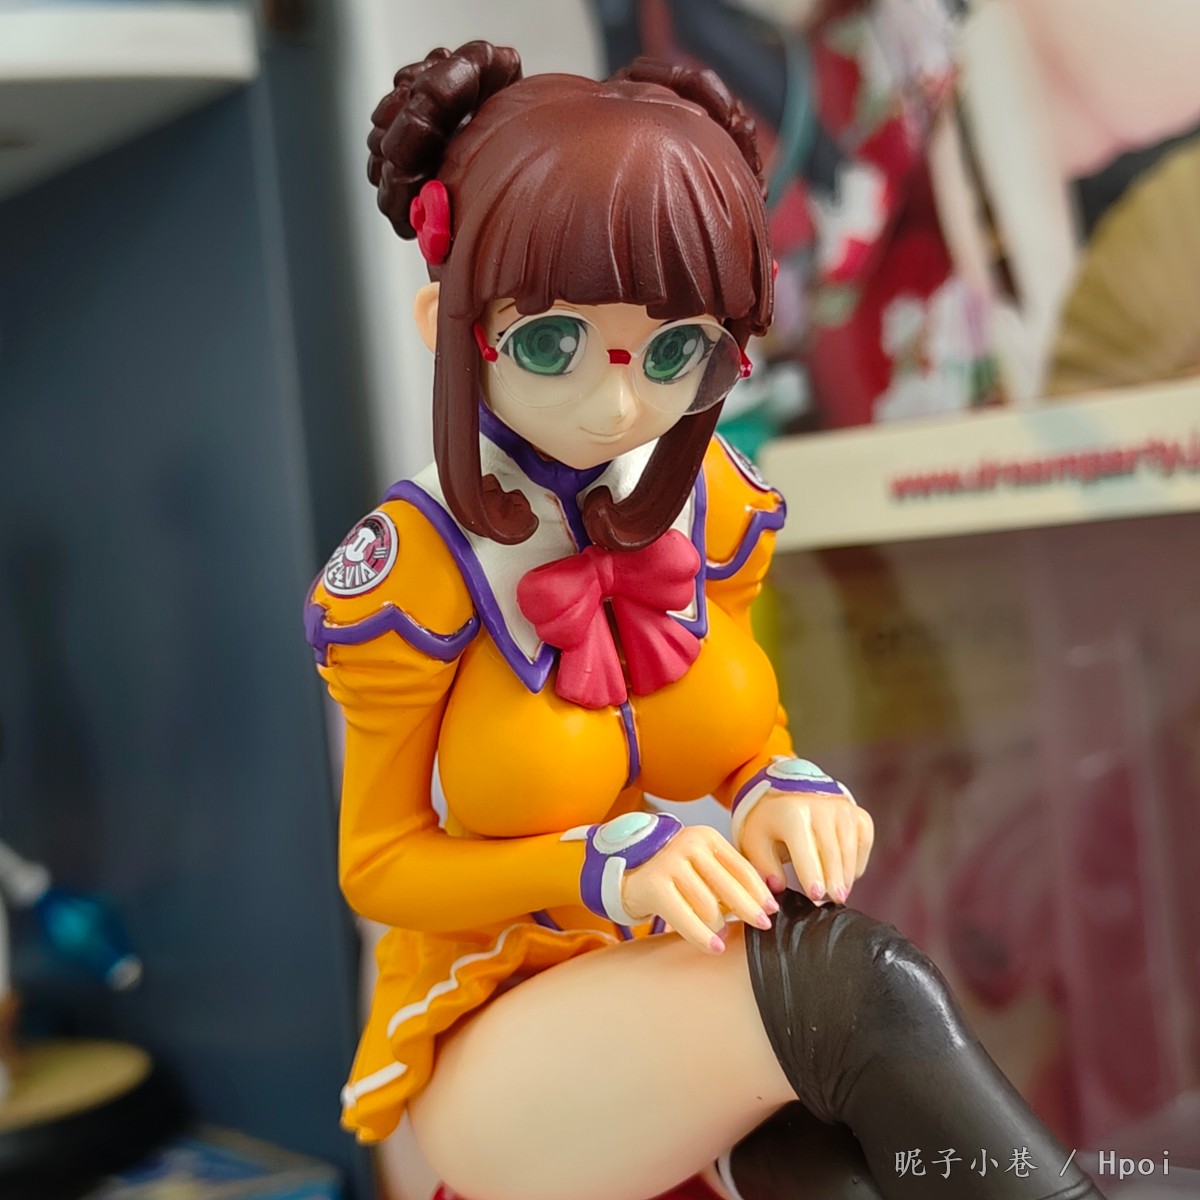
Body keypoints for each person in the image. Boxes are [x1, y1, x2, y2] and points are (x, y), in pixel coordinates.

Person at [305, 41, 1105, 1200]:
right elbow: (378, 866)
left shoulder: (708, 496)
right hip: (491, 1028)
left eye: (675, 349)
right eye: (552, 343)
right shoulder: (415, 568)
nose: (621, 399)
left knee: (833, 1172)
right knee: (849, 988)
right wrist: (598, 871)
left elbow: (743, 735)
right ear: (448, 321)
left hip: (665, 980)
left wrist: (778, 789)